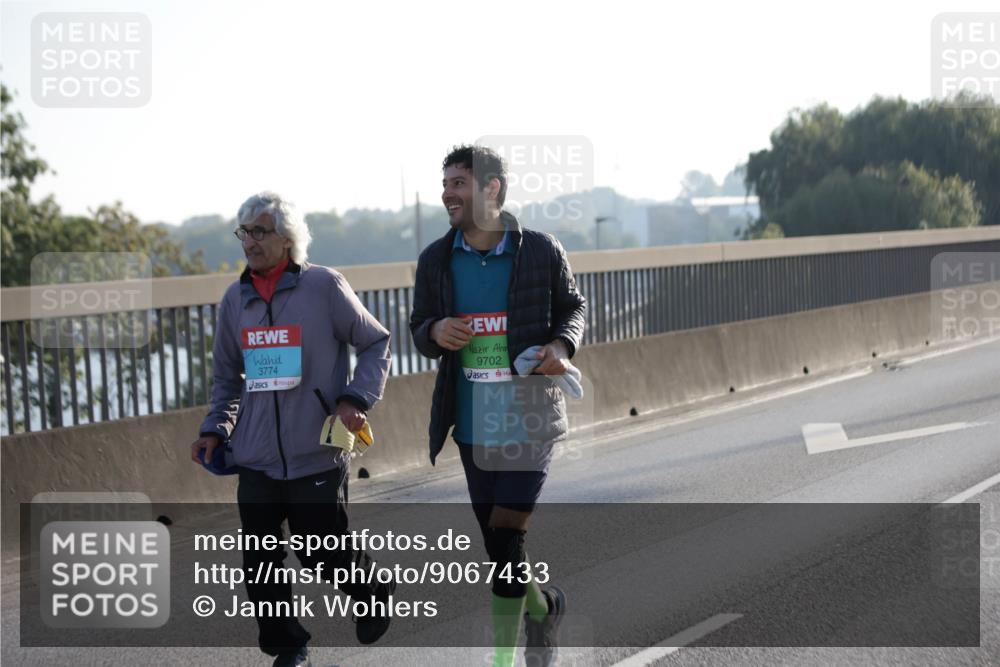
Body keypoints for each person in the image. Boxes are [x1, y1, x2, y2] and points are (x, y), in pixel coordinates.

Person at [190, 192, 395, 667]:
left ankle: (371, 590)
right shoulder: (235, 300)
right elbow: (227, 378)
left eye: (260, 231)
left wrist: (352, 399)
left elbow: (376, 343)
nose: (250, 242)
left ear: (287, 238)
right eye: (245, 232)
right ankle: (289, 646)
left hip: (316, 451)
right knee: (260, 564)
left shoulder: (323, 287)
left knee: (321, 550)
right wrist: (216, 429)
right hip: (256, 455)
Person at [409, 145, 587, 667]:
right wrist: (437, 330)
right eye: (445, 183)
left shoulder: (540, 251)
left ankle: (503, 662)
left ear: (493, 189)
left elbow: (573, 307)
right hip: (471, 425)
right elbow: (418, 326)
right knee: (500, 550)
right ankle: (544, 606)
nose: (447, 193)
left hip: (531, 419)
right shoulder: (435, 260)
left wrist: (560, 347)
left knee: (507, 539)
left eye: (459, 183)